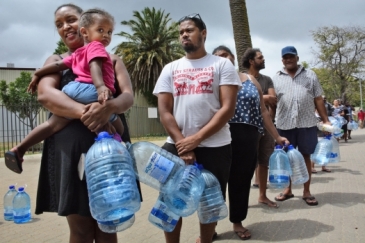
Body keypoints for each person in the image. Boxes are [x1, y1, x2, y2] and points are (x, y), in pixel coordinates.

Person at [31, 4, 135, 243]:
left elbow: (127, 96)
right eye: (59, 24)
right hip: (71, 154)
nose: (66, 27)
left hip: (111, 153)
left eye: (71, 20)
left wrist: (109, 107)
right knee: (80, 231)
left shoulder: (112, 59)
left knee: (109, 226)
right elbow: (46, 95)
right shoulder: (58, 60)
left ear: (86, 25)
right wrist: (89, 113)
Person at [153, 14, 241, 243]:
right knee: (170, 202)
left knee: (209, 203)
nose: (184, 34)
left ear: (203, 33)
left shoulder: (222, 65)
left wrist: (197, 139)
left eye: (189, 30)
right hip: (175, 146)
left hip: (216, 146)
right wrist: (183, 144)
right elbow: (164, 112)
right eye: (181, 32)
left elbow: (227, 109)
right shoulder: (170, 68)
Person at [5, 8, 123, 165]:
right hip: (91, 91)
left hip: (71, 91)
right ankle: (107, 146)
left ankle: (19, 149)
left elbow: (58, 65)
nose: (106, 36)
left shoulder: (78, 54)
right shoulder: (96, 47)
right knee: (118, 127)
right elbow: (95, 66)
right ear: (85, 30)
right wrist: (101, 88)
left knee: (51, 125)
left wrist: (38, 72)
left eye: (109, 32)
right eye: (101, 30)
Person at [213, 45, 289, 240]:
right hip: (218, 135)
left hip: (247, 135)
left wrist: (277, 136)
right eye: (218, 56)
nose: (222, 59)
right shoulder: (211, 80)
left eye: (225, 55)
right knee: (214, 184)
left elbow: (263, 111)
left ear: (233, 58)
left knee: (240, 182)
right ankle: (209, 227)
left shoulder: (250, 80)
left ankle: (237, 222)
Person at [272, 46, 331, 206]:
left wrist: (325, 120)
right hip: (284, 123)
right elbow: (272, 102)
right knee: (286, 158)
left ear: (297, 58)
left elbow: (318, 99)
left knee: (306, 155)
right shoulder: (276, 78)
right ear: (282, 60)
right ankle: (288, 190)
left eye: (291, 57)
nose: (288, 60)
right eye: (285, 57)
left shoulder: (310, 75)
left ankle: (307, 191)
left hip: (306, 123)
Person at [242, 48, 279, 208]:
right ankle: (241, 200)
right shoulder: (241, 78)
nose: (263, 59)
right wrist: (264, 97)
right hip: (249, 127)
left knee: (264, 161)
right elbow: (240, 99)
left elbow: (274, 99)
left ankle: (263, 196)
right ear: (251, 61)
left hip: (267, 126)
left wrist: (263, 100)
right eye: (260, 57)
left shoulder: (267, 79)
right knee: (245, 163)